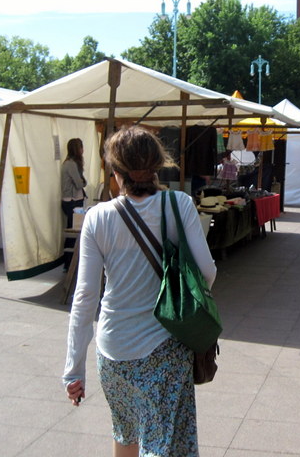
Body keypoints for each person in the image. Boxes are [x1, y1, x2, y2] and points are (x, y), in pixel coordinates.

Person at [63, 126, 217, 457]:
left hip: (112, 349)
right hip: (164, 347)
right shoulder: (179, 204)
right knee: (163, 445)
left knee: (126, 432)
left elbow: (85, 298)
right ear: (158, 165)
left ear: (115, 172)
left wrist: (74, 370)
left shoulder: (97, 217)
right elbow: (207, 271)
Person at [61, 137, 88, 271]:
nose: (83, 150)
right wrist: (84, 182)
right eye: (81, 147)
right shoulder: (71, 164)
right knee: (73, 232)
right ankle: (68, 263)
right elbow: (79, 183)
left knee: (73, 231)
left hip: (72, 200)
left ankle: (69, 262)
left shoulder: (70, 163)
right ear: (77, 149)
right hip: (72, 201)